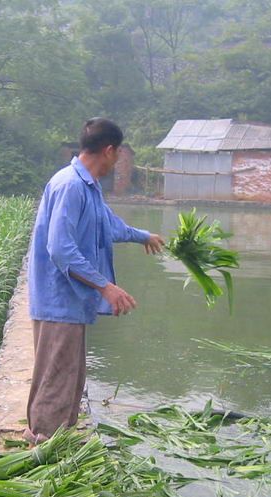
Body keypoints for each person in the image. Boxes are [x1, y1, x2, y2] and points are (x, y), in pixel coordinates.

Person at [24, 118, 165, 445]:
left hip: (72, 301)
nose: (116, 163)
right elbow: (60, 248)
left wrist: (142, 236)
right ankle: (42, 445)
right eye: (118, 155)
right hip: (58, 300)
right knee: (56, 376)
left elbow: (107, 225)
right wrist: (105, 286)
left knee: (69, 375)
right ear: (110, 150)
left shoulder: (87, 186)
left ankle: (58, 441)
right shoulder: (70, 186)